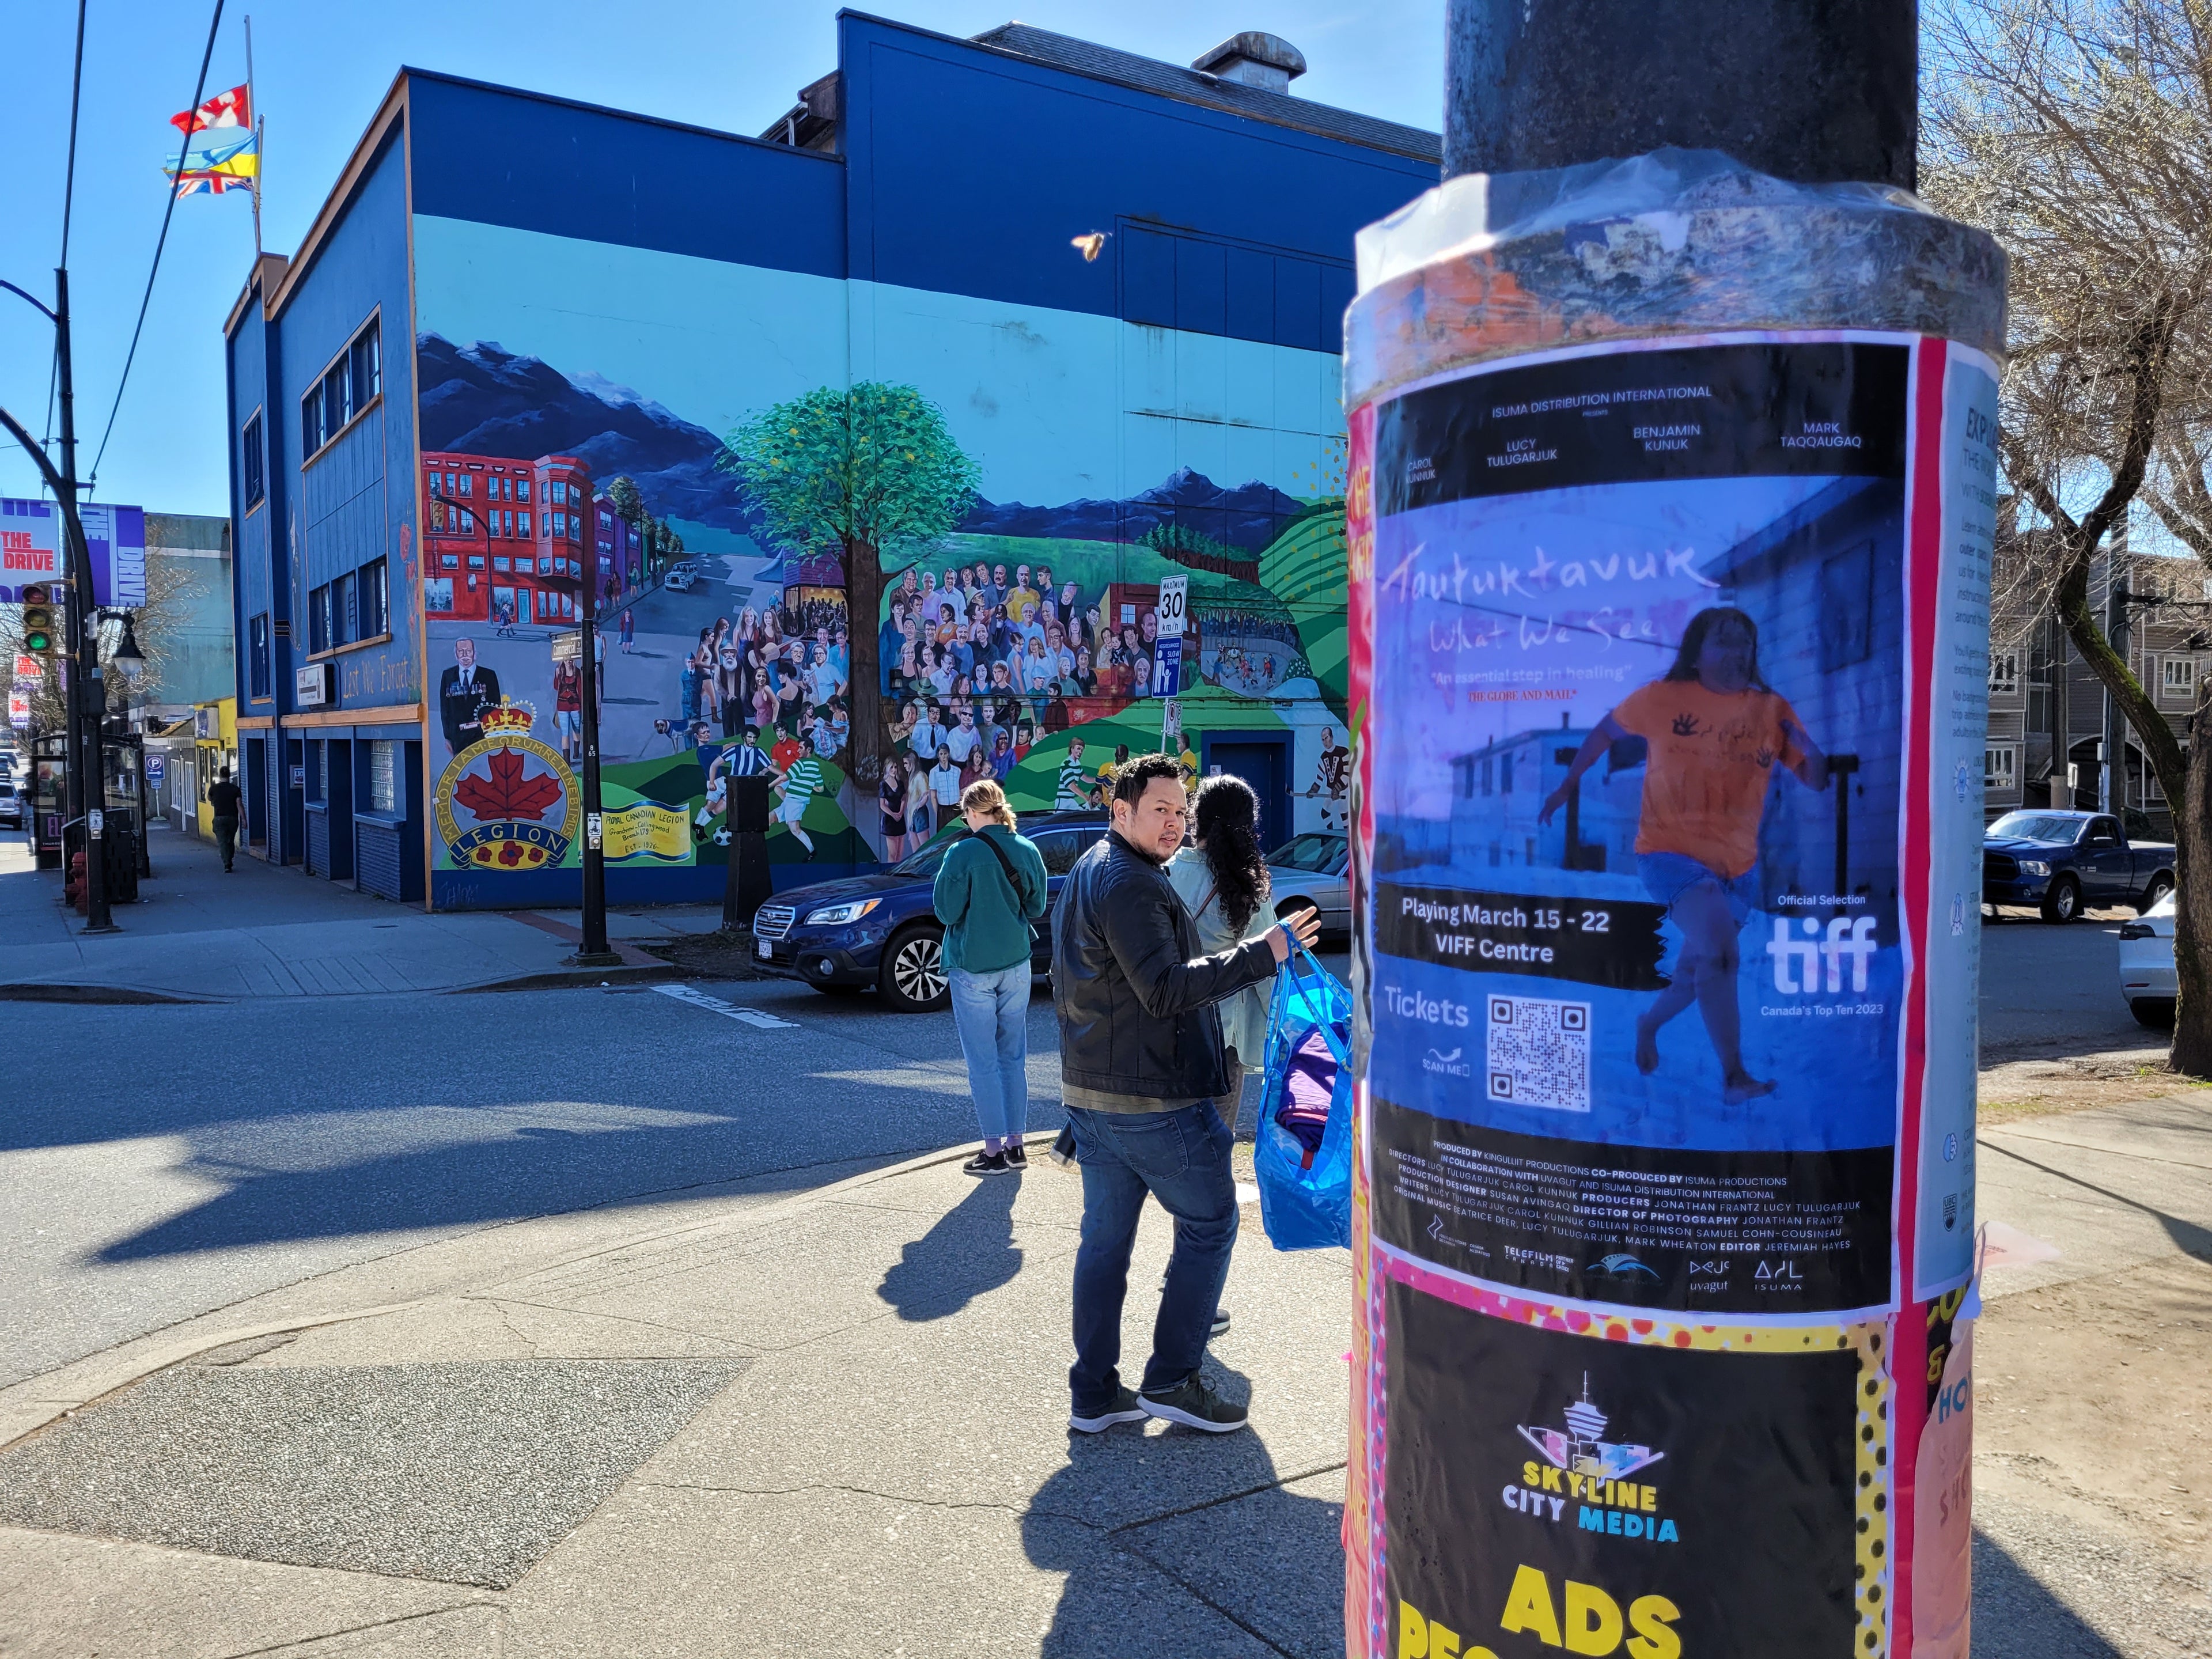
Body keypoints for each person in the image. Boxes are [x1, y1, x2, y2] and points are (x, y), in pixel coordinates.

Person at [1053, 754, 1321, 1434]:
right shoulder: (1132, 882)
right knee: (1211, 1223)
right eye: (1159, 811)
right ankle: (1173, 1378)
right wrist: (1267, 953)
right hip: (1151, 1101)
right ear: (1122, 811)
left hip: (1097, 1094)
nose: (1172, 823)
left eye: (1180, 811)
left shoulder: (1098, 866)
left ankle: (1093, 1393)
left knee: (1105, 1243)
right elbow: (1165, 990)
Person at [1540, 605, 1829, 1105]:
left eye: (1744, 643)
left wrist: (1807, 745)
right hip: (1667, 856)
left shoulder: (1771, 710)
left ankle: (1647, 1026)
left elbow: (1817, 779)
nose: (1735, 651)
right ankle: (1735, 1077)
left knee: (1696, 974)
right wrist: (1570, 781)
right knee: (1721, 953)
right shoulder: (1663, 698)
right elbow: (1606, 732)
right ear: (1696, 655)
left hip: (1738, 870)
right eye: (1723, 641)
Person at [934, 779, 1050, 1176]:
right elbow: (1035, 906)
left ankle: (993, 1151)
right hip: (1017, 962)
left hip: (972, 966)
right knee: (1013, 1057)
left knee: (982, 1062)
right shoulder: (1028, 848)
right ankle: (1018, 1146)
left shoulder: (961, 853)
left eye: (965, 813)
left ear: (971, 812)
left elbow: (947, 912)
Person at [1166, 775, 1280, 1130]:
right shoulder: (1247, 887)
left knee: (1169, 1143)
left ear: (1196, 816)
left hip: (1165, 1030)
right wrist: (1285, 1030)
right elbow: (1268, 971)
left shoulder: (1163, 871)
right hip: (1222, 1037)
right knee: (1214, 1145)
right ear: (1248, 826)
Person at [438, 638, 501, 756]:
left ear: (474, 654)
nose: (465, 655)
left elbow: (496, 706)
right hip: (458, 738)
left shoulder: (488, 676)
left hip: (481, 735)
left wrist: (493, 733)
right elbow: (445, 709)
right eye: (461, 651)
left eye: (469, 651)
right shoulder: (448, 676)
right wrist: (447, 737)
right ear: (456, 654)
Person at [207, 766, 244, 873]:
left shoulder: (214, 788)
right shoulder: (235, 789)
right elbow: (240, 805)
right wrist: (244, 819)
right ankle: (229, 858)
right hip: (232, 818)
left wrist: (215, 800)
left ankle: (227, 863)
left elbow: (209, 798)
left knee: (223, 842)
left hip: (219, 818)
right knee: (230, 840)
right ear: (229, 775)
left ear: (220, 775)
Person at [880, 755, 911, 862]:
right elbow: (882, 805)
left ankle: (897, 876)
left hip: (900, 820)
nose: (894, 770)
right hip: (889, 822)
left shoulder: (900, 783)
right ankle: (890, 877)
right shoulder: (883, 784)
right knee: (892, 853)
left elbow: (904, 798)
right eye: (891, 767)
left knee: (899, 853)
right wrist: (893, 815)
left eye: (895, 767)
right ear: (887, 769)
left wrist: (901, 813)